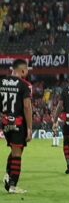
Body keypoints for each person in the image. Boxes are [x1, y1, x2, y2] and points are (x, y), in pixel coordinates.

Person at [1, 59, 33, 194]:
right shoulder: (23, 85)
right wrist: (30, 128)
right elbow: (27, 106)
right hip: (18, 123)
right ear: (23, 70)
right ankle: (13, 185)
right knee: (17, 154)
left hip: (5, 123)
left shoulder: (1, 82)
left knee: (16, 150)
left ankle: (8, 175)